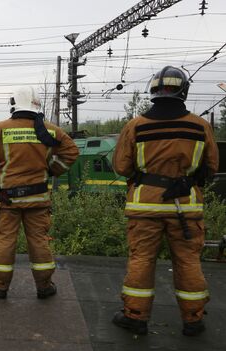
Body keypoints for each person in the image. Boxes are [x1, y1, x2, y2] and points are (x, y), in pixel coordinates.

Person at [112, 66, 219, 336]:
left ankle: (135, 316)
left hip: (144, 206)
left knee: (141, 260)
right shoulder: (200, 126)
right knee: (187, 261)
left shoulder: (136, 126)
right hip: (186, 206)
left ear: (153, 91)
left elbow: (122, 167)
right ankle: (193, 319)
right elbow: (212, 166)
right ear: (183, 90)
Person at [0, 86, 79, 299]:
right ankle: (45, 287)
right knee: (39, 241)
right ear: (36, 105)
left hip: (8, 198)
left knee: (4, 241)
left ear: (14, 105)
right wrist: (53, 169)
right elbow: (71, 152)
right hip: (38, 199)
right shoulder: (51, 131)